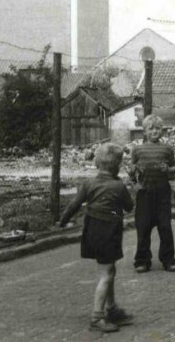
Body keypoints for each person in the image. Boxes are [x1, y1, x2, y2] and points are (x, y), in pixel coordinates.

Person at [58, 143, 135, 333]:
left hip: (91, 230)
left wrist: (62, 222)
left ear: (96, 164)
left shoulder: (88, 184)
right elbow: (129, 206)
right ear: (117, 166)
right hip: (109, 232)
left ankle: (112, 308)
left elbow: (74, 205)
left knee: (108, 270)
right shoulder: (118, 186)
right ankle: (96, 316)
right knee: (106, 273)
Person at [128, 114, 175, 272]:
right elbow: (131, 171)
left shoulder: (167, 149)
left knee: (165, 227)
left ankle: (168, 259)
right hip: (144, 194)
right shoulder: (137, 150)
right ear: (144, 131)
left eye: (158, 128)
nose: (155, 131)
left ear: (162, 131)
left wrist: (168, 170)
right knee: (143, 228)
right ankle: (142, 260)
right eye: (151, 129)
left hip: (162, 193)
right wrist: (134, 182)